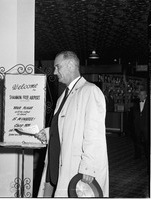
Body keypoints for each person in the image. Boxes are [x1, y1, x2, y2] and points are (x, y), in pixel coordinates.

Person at [36, 51, 109, 197]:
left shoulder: (90, 91)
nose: (55, 72)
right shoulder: (63, 96)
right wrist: (49, 132)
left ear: (70, 65)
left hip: (77, 168)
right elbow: (68, 126)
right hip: (55, 166)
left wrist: (88, 167)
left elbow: (94, 133)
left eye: (57, 67)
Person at [132, 89, 149, 160]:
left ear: (146, 95)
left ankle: (147, 156)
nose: (141, 96)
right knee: (137, 141)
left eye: (143, 95)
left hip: (146, 126)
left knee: (147, 142)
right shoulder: (136, 103)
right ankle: (137, 155)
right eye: (140, 94)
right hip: (137, 125)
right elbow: (133, 114)